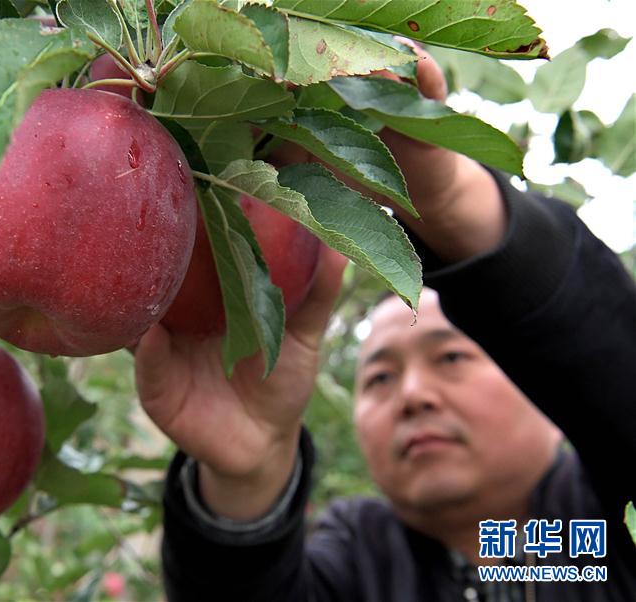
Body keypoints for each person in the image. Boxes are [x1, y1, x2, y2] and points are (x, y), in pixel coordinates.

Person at [133, 45, 636, 601]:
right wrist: (244, 480)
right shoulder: (358, 559)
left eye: (451, 357)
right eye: (378, 378)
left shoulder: (599, 533)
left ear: (538, 382)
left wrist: (451, 202)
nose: (413, 396)